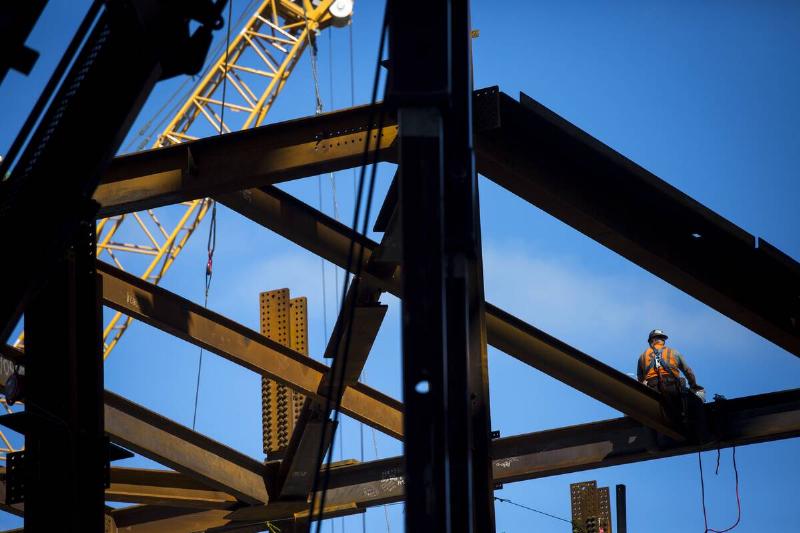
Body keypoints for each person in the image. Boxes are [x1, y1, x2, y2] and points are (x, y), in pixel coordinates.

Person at [637, 329, 704, 400]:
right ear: (662, 340)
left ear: (651, 341)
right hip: (673, 387)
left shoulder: (642, 356)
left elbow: (640, 379)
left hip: (652, 389)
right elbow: (688, 371)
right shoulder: (674, 352)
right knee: (694, 401)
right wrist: (693, 386)